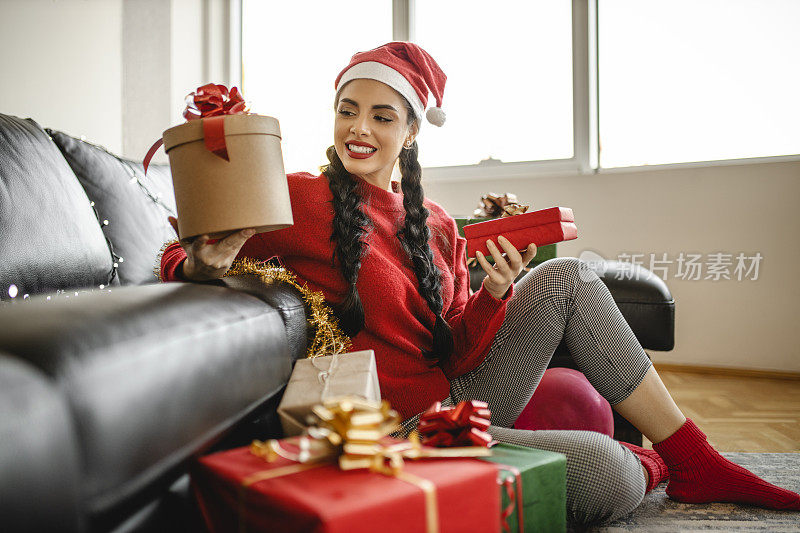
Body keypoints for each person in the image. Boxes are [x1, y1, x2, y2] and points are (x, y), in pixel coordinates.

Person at [158, 41, 800, 524]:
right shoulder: (299, 199)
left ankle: (695, 457)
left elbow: (459, 347)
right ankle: (661, 465)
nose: (360, 129)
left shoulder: (435, 222)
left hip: (460, 388)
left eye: (383, 116)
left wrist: (493, 296)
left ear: (410, 133)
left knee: (566, 277)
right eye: (348, 111)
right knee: (610, 476)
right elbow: (179, 252)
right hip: (396, 429)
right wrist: (202, 265)